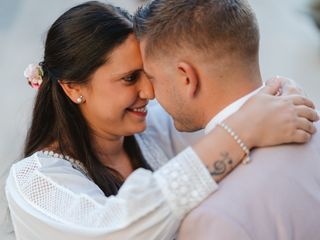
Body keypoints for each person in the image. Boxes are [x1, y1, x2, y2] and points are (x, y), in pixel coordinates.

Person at [5, 1, 318, 240]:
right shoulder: (35, 182)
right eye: (129, 79)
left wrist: (281, 94)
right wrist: (240, 132)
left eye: (148, 74)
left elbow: (225, 100)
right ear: (73, 87)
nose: (149, 91)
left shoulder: (153, 129)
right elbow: (117, 228)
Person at [133, 0, 320, 239]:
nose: (149, 93)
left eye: (152, 77)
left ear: (186, 77)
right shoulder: (312, 120)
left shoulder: (212, 218)